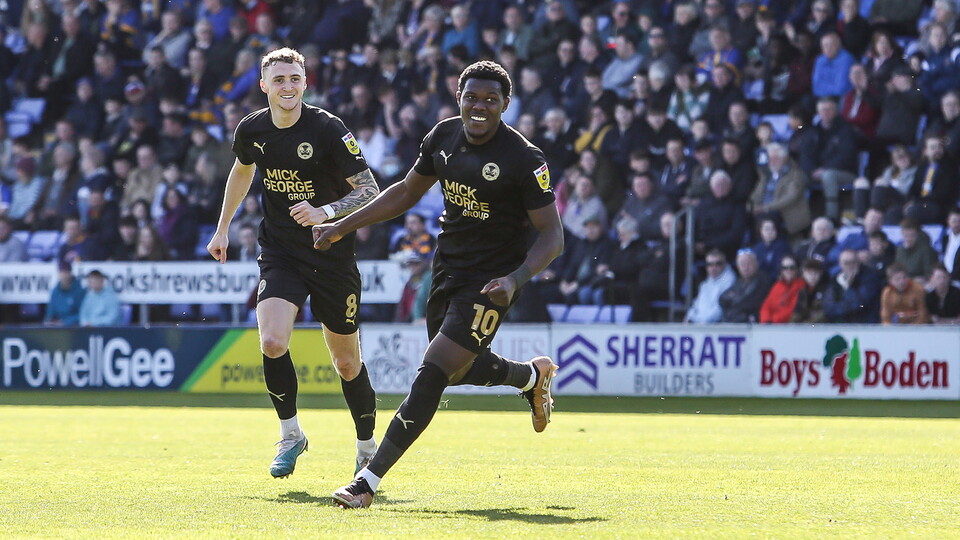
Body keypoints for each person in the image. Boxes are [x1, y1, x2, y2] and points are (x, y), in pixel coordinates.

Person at [314, 61, 564, 509]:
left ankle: (365, 483)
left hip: (492, 282)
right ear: (458, 98)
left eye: (491, 99)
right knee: (457, 369)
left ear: (506, 104)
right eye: (472, 97)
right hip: (447, 269)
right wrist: (340, 226)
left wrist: (516, 278)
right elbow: (405, 193)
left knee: (432, 371)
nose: (480, 106)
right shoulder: (443, 136)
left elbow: (553, 235)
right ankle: (530, 376)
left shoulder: (524, 159)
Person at [204, 48, 381, 480]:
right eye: (279, 79)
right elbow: (242, 170)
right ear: (264, 85)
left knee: (346, 363)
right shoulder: (252, 129)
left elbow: (371, 190)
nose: (287, 86)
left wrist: (327, 211)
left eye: (294, 79)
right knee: (272, 342)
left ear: (306, 83)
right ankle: (291, 435)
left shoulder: (328, 129)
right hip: (281, 250)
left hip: (331, 252)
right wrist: (223, 227)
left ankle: (366, 447)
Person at [685, 249, 736, 324]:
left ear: (725, 264)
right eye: (709, 264)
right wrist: (689, 317)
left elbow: (720, 310)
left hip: (716, 327)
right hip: (701, 325)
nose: (713, 267)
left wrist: (698, 322)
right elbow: (697, 304)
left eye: (718, 264)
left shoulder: (729, 280)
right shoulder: (707, 282)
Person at [759, 254, 806, 323]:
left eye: (792, 267)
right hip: (772, 325)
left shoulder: (801, 286)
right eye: (785, 268)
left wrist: (773, 320)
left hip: (790, 327)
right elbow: (766, 306)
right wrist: (766, 320)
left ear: (797, 269)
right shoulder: (777, 285)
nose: (788, 270)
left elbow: (793, 310)